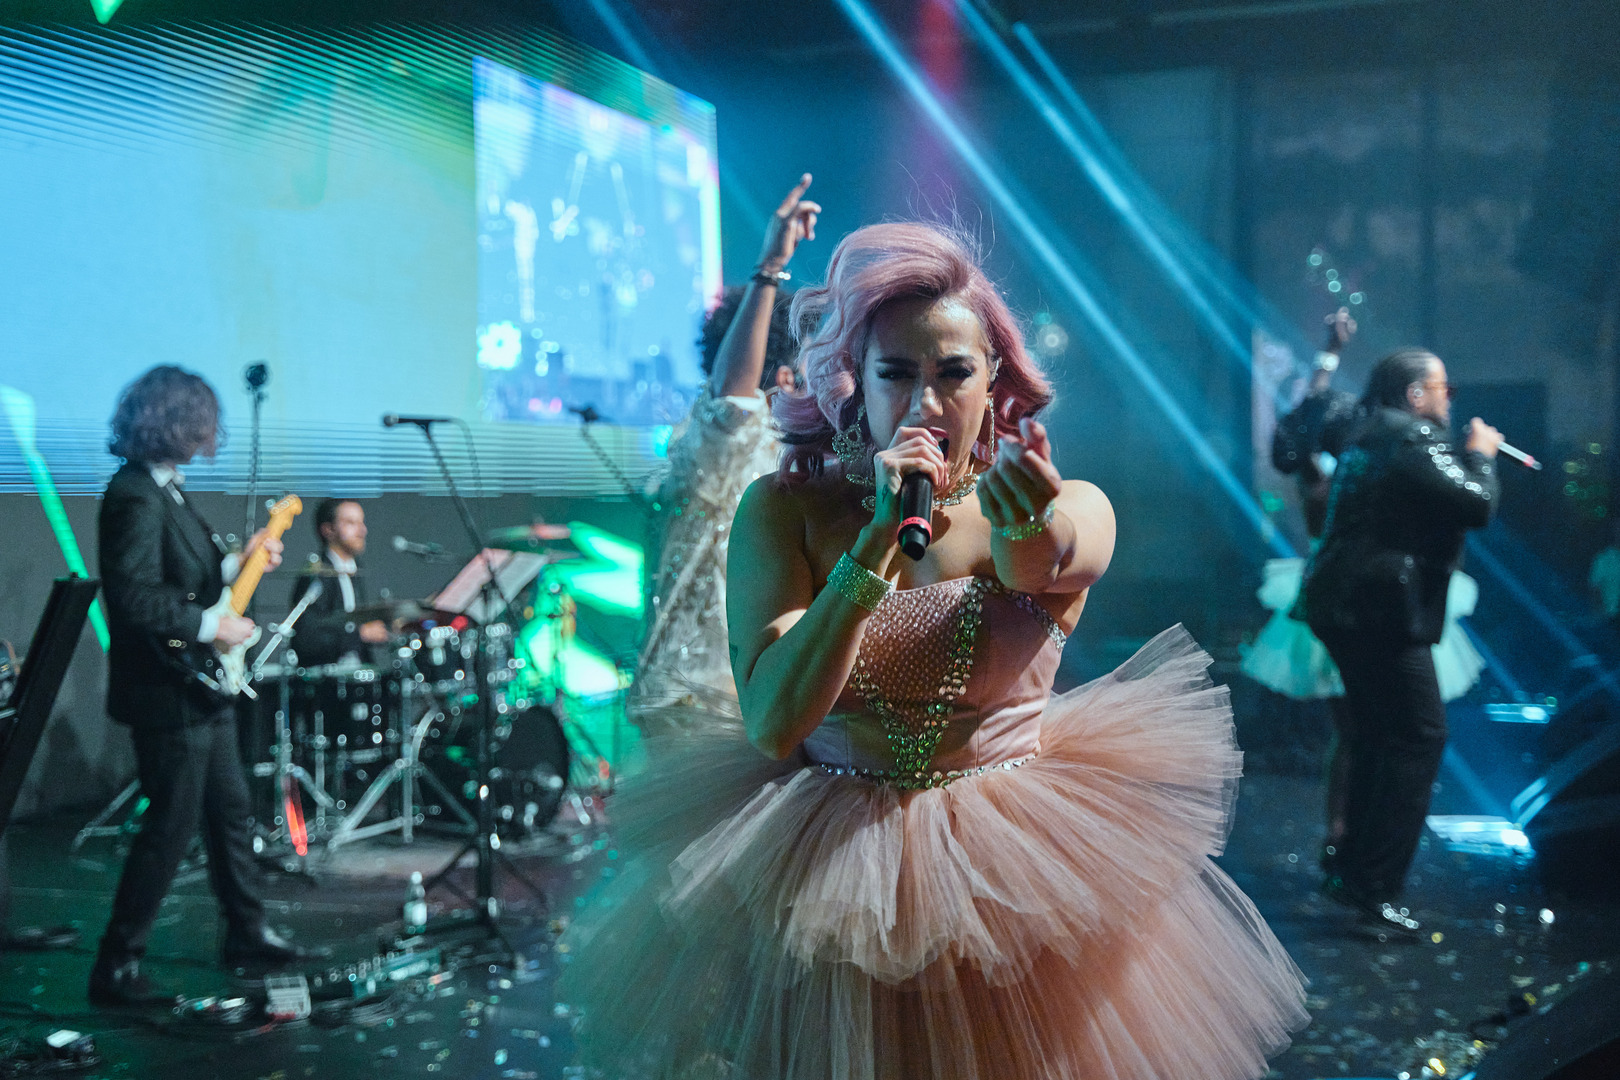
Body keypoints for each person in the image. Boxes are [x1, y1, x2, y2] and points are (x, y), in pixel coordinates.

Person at [559, 223, 1306, 1079]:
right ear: (856, 382)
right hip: (824, 871)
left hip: (1012, 873)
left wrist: (1029, 521)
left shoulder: (1072, 504)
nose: (924, 404)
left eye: (953, 373)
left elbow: (1041, 560)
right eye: (897, 374)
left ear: (996, 381)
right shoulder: (784, 510)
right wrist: (875, 542)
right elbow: (773, 722)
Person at [92, 365, 310, 1008]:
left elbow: (185, 573)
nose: (211, 434)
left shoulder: (166, 491)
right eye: (203, 422)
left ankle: (246, 932)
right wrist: (215, 625)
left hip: (198, 691)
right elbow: (133, 596)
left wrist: (238, 563)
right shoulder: (134, 493)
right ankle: (117, 964)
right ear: (175, 423)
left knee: (230, 814)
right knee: (170, 827)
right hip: (167, 693)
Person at [1244, 315, 1485, 857]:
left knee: (1371, 730)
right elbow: (1307, 415)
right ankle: (1344, 833)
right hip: (1346, 597)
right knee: (1357, 731)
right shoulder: (1328, 465)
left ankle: (1362, 834)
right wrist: (1327, 354)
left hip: (1371, 596)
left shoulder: (1373, 457)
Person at [1301, 348, 1502, 936]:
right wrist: (1481, 455)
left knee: (1377, 736)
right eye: (1444, 388)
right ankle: (1375, 884)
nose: (1449, 400)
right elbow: (1476, 502)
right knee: (1420, 735)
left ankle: (1352, 871)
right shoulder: (1414, 439)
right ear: (1416, 394)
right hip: (1381, 610)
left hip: (1348, 604)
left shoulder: (1370, 435)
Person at [630, 174, 819, 723]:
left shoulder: (785, 455)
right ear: (783, 377)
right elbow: (733, 397)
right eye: (808, 368)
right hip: (692, 705)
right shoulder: (716, 446)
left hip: (747, 699)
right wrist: (770, 269)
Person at [287, 499, 388, 667]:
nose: (362, 530)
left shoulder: (356, 571)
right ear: (328, 529)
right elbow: (306, 638)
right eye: (351, 523)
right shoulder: (317, 575)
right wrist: (359, 635)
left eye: (361, 522)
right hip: (326, 674)